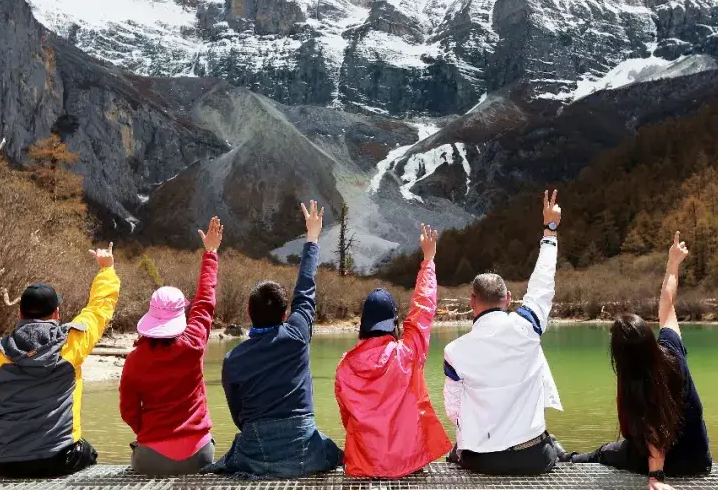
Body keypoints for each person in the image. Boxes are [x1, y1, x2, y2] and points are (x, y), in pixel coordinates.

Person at [209, 200, 342, 478]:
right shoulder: (296, 336)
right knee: (337, 454)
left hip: (255, 451)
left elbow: (239, 417)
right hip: (305, 449)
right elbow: (306, 292)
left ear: (248, 312)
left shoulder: (233, 359)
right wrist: (312, 239)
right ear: (285, 315)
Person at [569, 231, 712, 490]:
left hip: (668, 464)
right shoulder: (671, 351)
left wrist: (656, 478)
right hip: (698, 459)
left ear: (618, 355)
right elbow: (667, 305)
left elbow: (655, 432)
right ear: (648, 338)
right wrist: (673, 264)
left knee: (603, 454)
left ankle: (564, 459)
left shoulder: (634, 381)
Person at [442, 190, 565, 476]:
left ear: (472, 302)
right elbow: (543, 284)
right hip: (534, 457)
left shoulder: (455, 352)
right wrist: (550, 230)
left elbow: (454, 409)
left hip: (480, 460)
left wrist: (470, 437)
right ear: (508, 298)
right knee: (551, 446)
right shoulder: (528, 327)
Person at [0, 243, 120, 478]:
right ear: (57, 314)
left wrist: (9, 438)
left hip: (6, 464)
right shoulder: (72, 344)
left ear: (19, 314)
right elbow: (99, 309)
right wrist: (106, 269)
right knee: (89, 453)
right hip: (60, 459)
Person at [334, 224, 452, 478]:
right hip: (409, 464)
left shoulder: (346, 366)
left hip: (363, 465)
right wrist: (428, 262)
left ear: (364, 323)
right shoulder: (407, 354)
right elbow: (423, 309)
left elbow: (347, 419)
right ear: (393, 323)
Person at [119, 218, 223, 476]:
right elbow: (205, 301)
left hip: (151, 457)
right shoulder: (194, 343)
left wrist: (149, 433)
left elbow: (128, 411)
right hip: (199, 455)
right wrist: (210, 253)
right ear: (180, 316)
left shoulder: (135, 359)